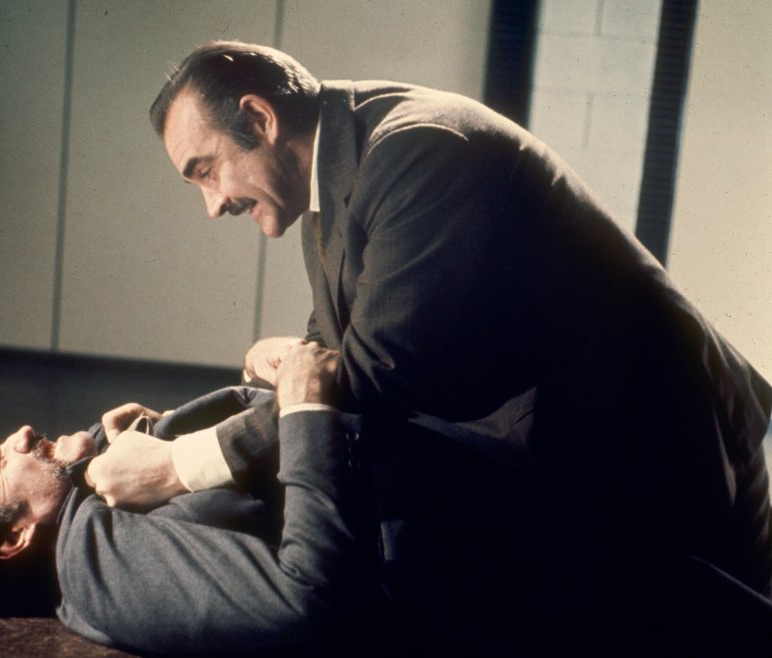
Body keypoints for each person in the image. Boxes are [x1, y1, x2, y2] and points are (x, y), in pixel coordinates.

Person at [89, 40, 772, 653]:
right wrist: (292, 361)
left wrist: (177, 464)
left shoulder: (419, 151)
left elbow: (374, 372)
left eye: (207, 170)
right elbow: (339, 345)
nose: (212, 204)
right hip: (582, 444)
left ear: (260, 118)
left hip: (660, 443)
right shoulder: (337, 175)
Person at [0, 343, 392, 655]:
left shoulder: (88, 507)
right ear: (13, 537)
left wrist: (110, 449)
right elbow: (306, 600)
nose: (21, 435)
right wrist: (305, 410)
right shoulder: (95, 567)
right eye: (0, 463)